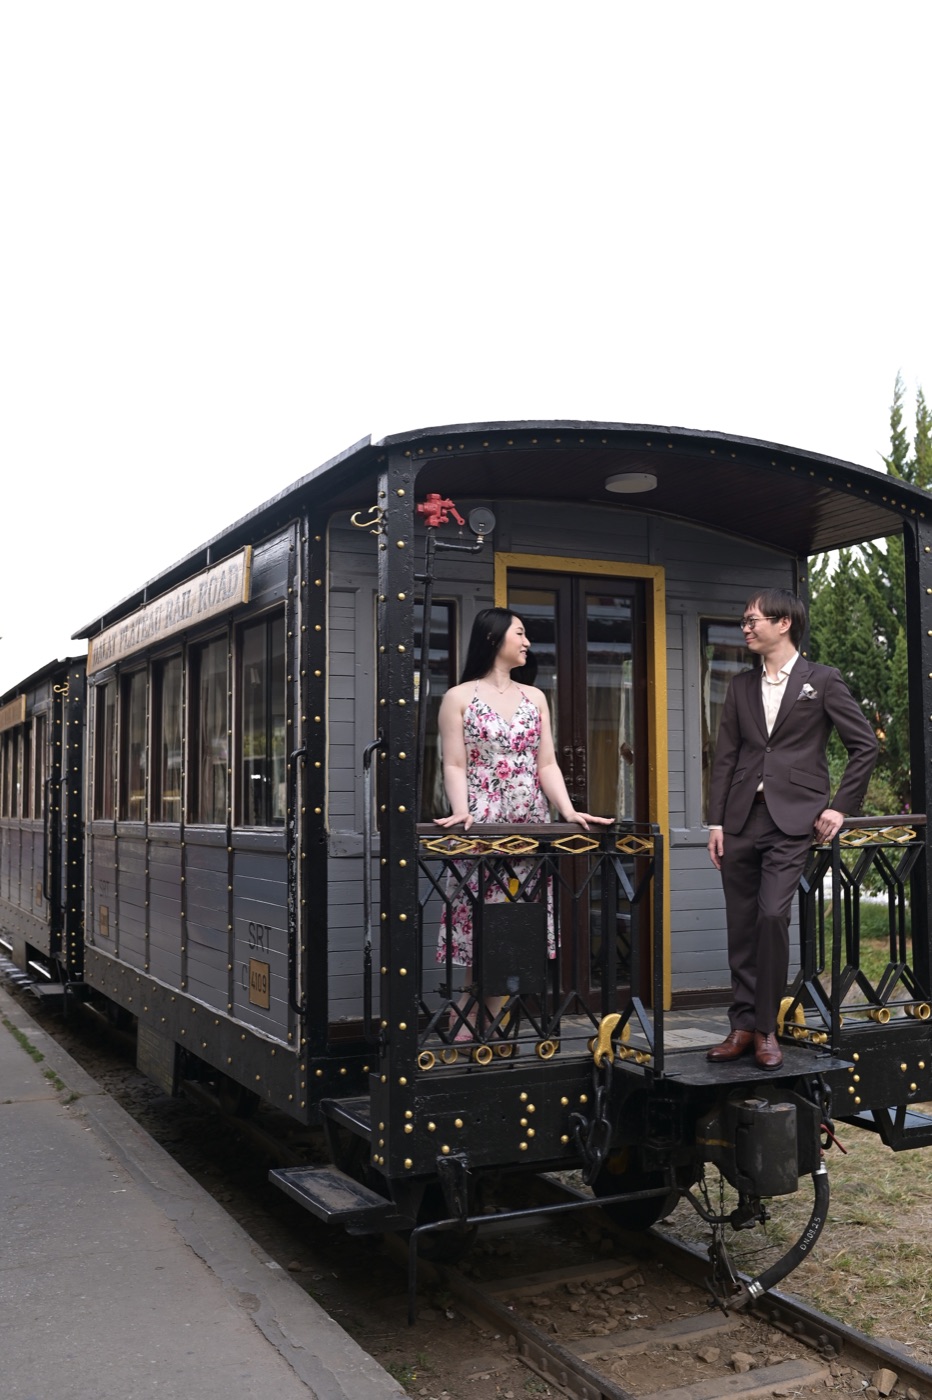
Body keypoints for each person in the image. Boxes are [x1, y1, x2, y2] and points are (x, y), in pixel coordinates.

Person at [706, 588, 878, 1070]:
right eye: (744, 620)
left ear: (783, 624)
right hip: (740, 820)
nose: (746, 627)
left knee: (771, 917)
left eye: (753, 619)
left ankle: (766, 1028)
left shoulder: (822, 681)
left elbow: (864, 745)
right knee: (740, 925)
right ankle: (739, 1026)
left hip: (793, 820)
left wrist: (841, 808)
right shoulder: (739, 686)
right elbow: (726, 757)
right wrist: (716, 821)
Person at [435, 607, 611, 1037]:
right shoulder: (458, 697)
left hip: (528, 822)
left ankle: (480, 1015)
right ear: (495, 638)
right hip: (482, 821)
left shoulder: (535, 697)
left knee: (512, 919)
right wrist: (462, 811)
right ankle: (473, 1011)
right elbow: (454, 764)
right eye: (521, 633)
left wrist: (567, 810)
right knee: (481, 916)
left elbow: (546, 763)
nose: (528, 641)